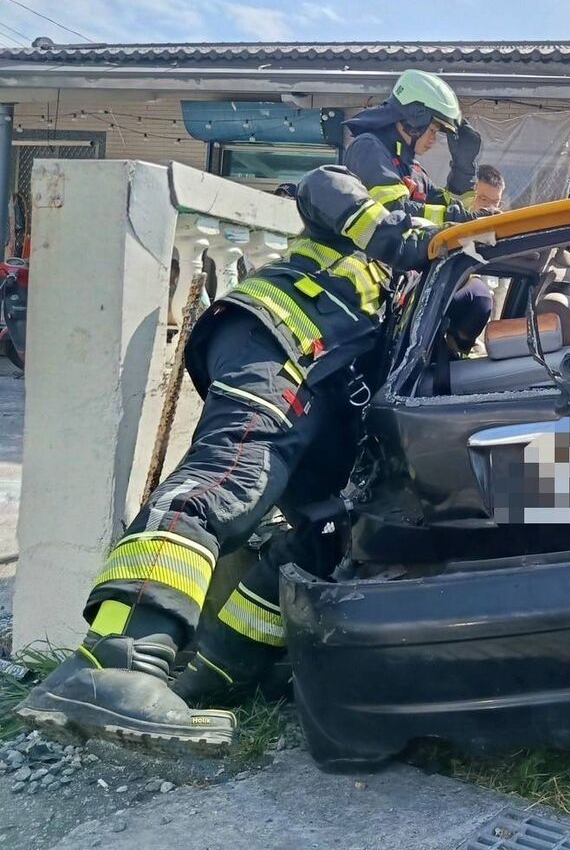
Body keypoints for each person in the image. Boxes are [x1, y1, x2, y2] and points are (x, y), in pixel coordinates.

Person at [17, 166, 445, 753]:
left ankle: (212, 677)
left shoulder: (402, 293)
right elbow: (322, 186)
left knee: (329, 526)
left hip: (319, 384)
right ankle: (113, 658)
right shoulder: (362, 200)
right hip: (277, 340)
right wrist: (402, 234)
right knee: (229, 479)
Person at [342, 69, 482, 225]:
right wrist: (454, 217)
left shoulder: (414, 171)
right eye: (432, 130)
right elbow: (392, 212)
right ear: (416, 118)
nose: (433, 140)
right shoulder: (368, 148)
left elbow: (451, 210)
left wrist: (463, 170)